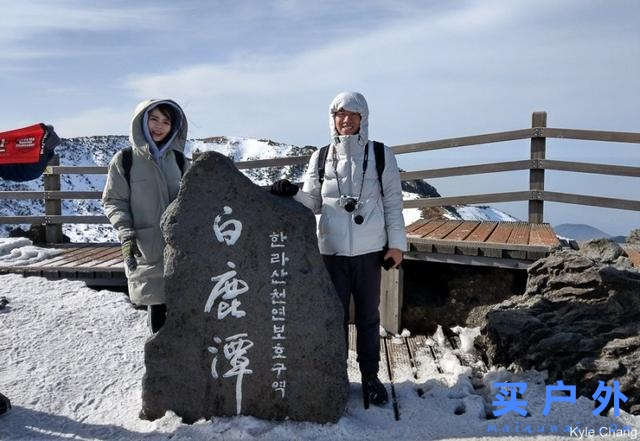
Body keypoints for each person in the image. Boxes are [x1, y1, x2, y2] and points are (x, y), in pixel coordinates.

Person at [270, 92, 407, 406]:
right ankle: (335, 376)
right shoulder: (319, 157)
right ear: (332, 118)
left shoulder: (381, 155)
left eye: (352, 114)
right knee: (333, 317)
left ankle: (370, 378)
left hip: (370, 251)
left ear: (363, 119)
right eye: (339, 114)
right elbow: (312, 201)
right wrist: (289, 193)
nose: (345, 120)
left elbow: (393, 203)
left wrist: (397, 245)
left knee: (369, 319)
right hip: (330, 252)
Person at [102, 99, 189, 333]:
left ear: (174, 127)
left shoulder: (180, 161)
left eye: (166, 121)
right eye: (154, 119)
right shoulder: (125, 160)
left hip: (181, 247)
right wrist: (126, 232)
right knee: (156, 308)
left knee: (185, 309)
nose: (159, 126)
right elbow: (113, 200)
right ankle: (160, 365)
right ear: (141, 121)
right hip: (146, 246)